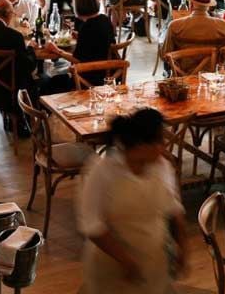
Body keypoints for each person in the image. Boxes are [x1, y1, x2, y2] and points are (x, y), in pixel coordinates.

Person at [79, 109, 186, 294]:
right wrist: (126, 262)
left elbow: (173, 209)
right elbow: (92, 226)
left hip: (153, 264)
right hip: (111, 268)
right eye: (160, 141)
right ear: (141, 145)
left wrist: (183, 247)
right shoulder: (102, 170)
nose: (164, 148)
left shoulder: (162, 167)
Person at [0, 0, 36, 134]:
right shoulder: (15, 37)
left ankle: (15, 122)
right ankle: (26, 123)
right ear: (9, 14)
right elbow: (27, 66)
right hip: (10, 95)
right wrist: (31, 50)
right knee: (33, 81)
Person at [43, 0, 116, 91]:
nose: (73, 5)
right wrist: (80, 36)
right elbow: (99, 41)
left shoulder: (87, 27)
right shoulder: (104, 19)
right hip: (107, 71)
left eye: (74, 3)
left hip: (89, 77)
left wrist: (56, 50)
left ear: (79, 7)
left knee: (47, 82)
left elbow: (77, 60)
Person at [162, 0, 225, 70]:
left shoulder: (174, 26)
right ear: (209, 6)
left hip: (183, 79)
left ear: (190, 3)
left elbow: (165, 56)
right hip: (213, 79)